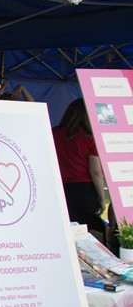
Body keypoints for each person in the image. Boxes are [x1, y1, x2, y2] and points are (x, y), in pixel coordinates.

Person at [53, 98, 107, 236]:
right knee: (85, 233)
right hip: (84, 191)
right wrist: (102, 198)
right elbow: (96, 171)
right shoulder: (89, 137)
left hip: (60, 188)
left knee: (65, 230)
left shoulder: (54, 133)